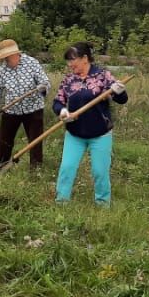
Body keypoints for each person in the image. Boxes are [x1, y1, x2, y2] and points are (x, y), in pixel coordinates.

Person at [51, 42, 127, 206]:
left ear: (85, 58)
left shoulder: (103, 76)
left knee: (100, 172)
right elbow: (58, 102)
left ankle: (102, 204)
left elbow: (122, 100)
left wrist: (119, 91)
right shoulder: (69, 79)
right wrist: (63, 112)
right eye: (68, 61)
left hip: (100, 134)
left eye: (73, 60)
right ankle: (61, 202)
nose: (70, 64)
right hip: (74, 134)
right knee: (67, 168)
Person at [0, 39, 50, 169]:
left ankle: (36, 169)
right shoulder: (3, 70)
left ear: (14, 54)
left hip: (33, 109)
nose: (5, 60)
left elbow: (45, 82)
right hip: (11, 110)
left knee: (35, 142)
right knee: (4, 141)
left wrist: (42, 88)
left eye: (6, 57)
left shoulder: (32, 63)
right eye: (4, 58)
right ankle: (3, 167)